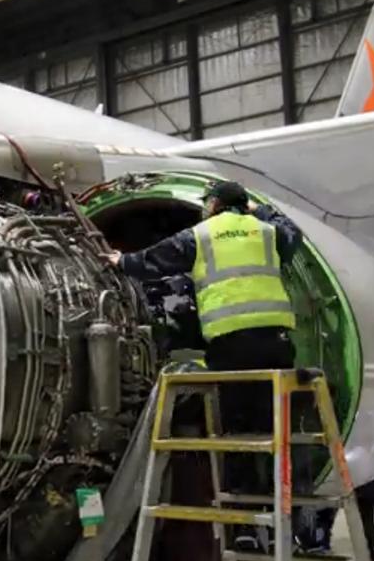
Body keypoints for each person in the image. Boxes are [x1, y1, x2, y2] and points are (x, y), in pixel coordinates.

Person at [106, 179, 303, 434]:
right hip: (276, 341)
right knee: (273, 423)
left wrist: (124, 261)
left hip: (231, 344)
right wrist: (259, 209)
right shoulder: (267, 231)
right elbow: (293, 233)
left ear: (214, 204)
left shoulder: (201, 234)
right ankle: (277, 474)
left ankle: (239, 473)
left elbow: (158, 258)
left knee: (235, 427)